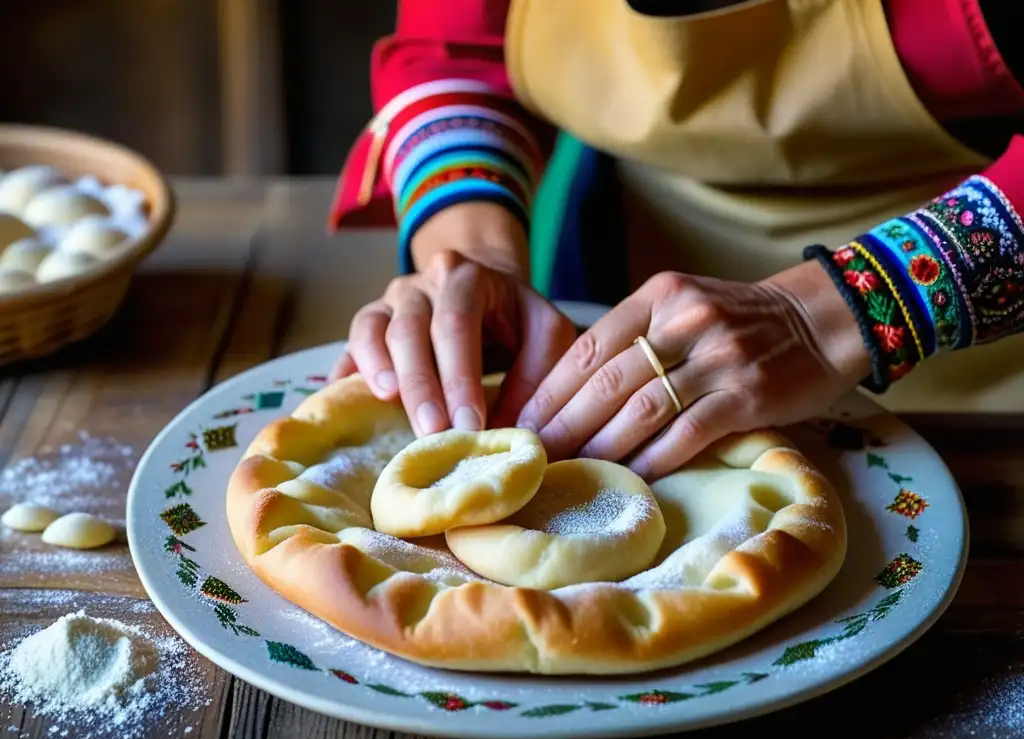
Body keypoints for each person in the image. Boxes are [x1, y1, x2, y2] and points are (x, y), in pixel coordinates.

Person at [327, 0, 1024, 481]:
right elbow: (460, 52)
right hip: (622, 280)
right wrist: (475, 261)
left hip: (983, 377)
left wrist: (827, 316)